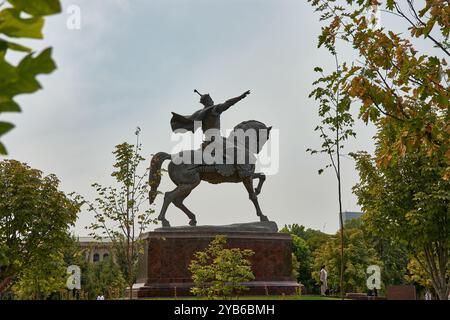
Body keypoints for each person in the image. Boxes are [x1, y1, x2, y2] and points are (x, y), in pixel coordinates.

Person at [170, 89, 251, 149]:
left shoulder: (199, 113)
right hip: (216, 139)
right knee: (237, 151)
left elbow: (189, 119)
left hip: (207, 139)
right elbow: (228, 103)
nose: (212, 101)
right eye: (211, 99)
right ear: (208, 101)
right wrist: (240, 97)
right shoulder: (214, 109)